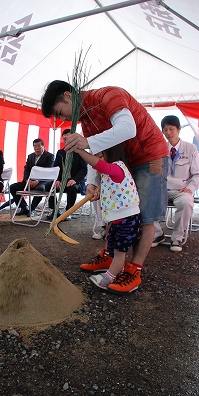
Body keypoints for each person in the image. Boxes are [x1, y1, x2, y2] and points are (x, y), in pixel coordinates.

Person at [41, 80, 169, 294]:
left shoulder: (108, 96)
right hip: (122, 162)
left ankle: (133, 271)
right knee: (114, 212)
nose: (62, 119)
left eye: (60, 112)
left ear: (68, 95)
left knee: (143, 215)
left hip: (149, 155)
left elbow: (128, 129)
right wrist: (92, 181)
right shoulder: (86, 122)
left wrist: (86, 142)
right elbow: (99, 154)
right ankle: (111, 259)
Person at [75, 144, 142, 293]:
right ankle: (117, 272)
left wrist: (79, 151)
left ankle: (108, 277)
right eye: (96, 156)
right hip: (118, 220)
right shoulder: (109, 173)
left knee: (119, 253)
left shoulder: (117, 167)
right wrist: (99, 194)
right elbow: (113, 191)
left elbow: (98, 165)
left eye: (100, 156)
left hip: (127, 220)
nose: (97, 160)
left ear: (111, 153)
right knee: (113, 249)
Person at [152, 115, 199, 252]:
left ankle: (177, 239)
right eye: (165, 130)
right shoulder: (159, 149)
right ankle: (158, 234)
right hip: (163, 189)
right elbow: (155, 172)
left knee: (186, 202)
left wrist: (190, 188)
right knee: (146, 200)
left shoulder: (191, 149)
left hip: (182, 191)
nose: (168, 133)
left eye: (171, 129)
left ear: (179, 129)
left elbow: (197, 174)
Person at [45, 128, 87, 221]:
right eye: (64, 139)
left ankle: (68, 211)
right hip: (62, 180)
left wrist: (75, 180)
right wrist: (57, 180)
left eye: (68, 138)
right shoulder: (60, 153)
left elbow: (84, 169)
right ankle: (55, 211)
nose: (66, 141)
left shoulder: (80, 151)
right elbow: (56, 168)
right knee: (49, 186)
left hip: (76, 180)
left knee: (72, 187)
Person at [10, 138, 54, 217]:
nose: (36, 148)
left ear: (43, 146)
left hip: (41, 182)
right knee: (12, 187)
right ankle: (24, 207)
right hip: (29, 181)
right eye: (34, 146)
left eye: (39, 146)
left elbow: (48, 171)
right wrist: (27, 180)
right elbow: (26, 169)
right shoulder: (31, 156)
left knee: (40, 189)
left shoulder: (49, 156)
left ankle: (32, 208)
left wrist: (37, 180)